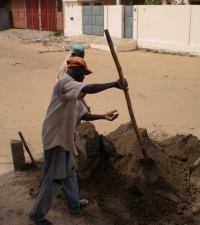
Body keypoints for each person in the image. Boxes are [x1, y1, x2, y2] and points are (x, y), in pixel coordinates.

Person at [29, 56, 128, 225]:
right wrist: (113, 84)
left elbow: (83, 114)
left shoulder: (73, 94)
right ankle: (37, 215)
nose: (84, 77)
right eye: (83, 73)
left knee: (69, 174)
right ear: (74, 69)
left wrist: (103, 116)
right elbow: (89, 88)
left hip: (64, 138)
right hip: (55, 138)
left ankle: (74, 205)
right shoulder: (64, 83)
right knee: (55, 178)